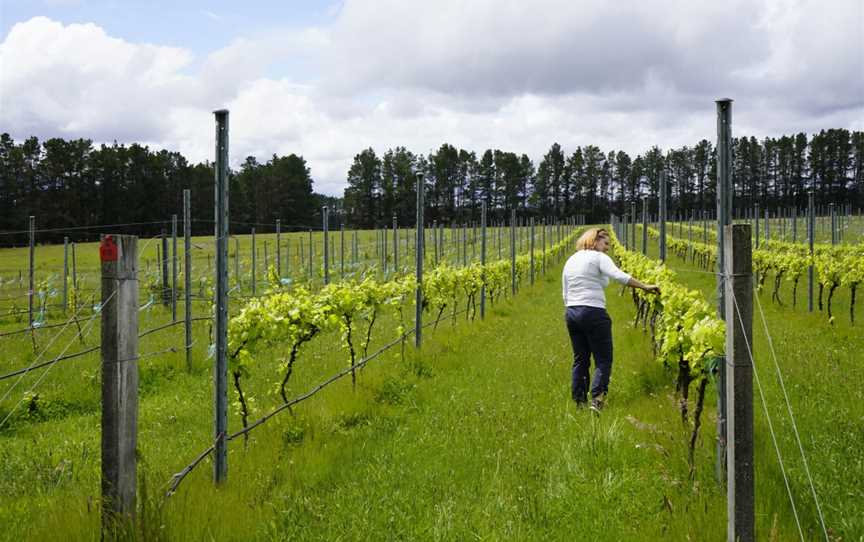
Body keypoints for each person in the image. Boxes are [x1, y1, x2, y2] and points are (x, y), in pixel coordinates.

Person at [562, 228, 660, 412]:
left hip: (572, 313)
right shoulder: (598, 257)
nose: (607, 248)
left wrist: (572, 310)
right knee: (603, 359)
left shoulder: (571, 259)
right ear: (594, 241)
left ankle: (579, 402)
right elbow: (618, 275)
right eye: (605, 243)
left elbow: (564, 290)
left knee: (580, 359)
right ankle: (597, 401)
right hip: (593, 312)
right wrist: (644, 286)